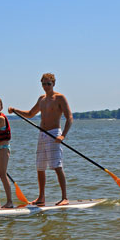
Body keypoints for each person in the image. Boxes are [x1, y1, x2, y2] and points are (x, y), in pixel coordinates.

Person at [8, 73, 73, 206]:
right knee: (40, 167)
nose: (46, 86)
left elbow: (69, 118)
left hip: (54, 134)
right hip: (42, 134)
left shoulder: (60, 98)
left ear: (53, 84)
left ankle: (64, 197)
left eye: (48, 83)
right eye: (43, 83)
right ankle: (41, 197)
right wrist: (15, 110)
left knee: (57, 166)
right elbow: (30, 114)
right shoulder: (41, 99)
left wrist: (63, 135)